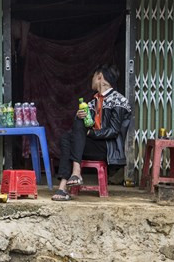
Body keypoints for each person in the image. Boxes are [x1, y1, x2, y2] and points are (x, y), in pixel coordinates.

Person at [52, 64, 132, 201]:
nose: (92, 80)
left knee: (69, 138)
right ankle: (67, 182)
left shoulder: (119, 101)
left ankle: (69, 180)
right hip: (91, 145)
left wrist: (90, 134)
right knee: (69, 134)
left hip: (107, 148)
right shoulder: (93, 102)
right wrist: (78, 117)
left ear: (99, 76)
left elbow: (113, 131)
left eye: (93, 76)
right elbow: (79, 129)